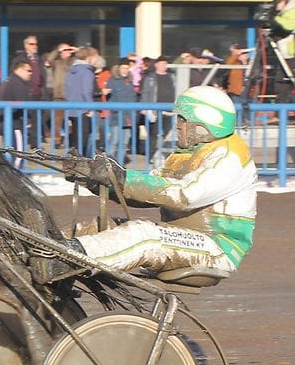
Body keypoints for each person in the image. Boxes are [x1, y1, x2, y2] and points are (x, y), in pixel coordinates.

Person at [35, 86, 256, 283]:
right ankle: (43, 248)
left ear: (202, 125)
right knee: (105, 225)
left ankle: (63, 260)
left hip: (217, 248)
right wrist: (95, 180)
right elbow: (146, 193)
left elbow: (184, 196)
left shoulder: (231, 158)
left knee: (144, 234)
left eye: (181, 120)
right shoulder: (185, 155)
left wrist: (121, 177)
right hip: (184, 236)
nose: (176, 126)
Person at [64, 46, 99, 156]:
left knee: (75, 141)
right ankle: (80, 165)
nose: (97, 60)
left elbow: (66, 90)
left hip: (71, 109)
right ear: (89, 57)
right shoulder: (87, 72)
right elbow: (86, 91)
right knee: (83, 141)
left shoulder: (71, 71)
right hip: (83, 110)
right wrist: (91, 108)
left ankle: (73, 165)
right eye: (96, 57)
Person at [0, 60, 39, 157]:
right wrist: (28, 121)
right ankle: (17, 170)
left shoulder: (8, 81)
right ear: (19, 70)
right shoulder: (18, 84)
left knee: (12, 152)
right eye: (28, 71)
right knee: (18, 155)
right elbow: (23, 103)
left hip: (7, 122)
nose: (31, 73)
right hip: (15, 124)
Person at [140, 55, 175, 162]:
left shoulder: (172, 77)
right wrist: (144, 107)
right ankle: (151, 155)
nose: (164, 65)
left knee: (166, 132)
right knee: (154, 134)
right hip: (155, 110)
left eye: (165, 63)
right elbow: (145, 93)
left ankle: (157, 153)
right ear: (156, 65)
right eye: (161, 63)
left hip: (169, 110)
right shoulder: (150, 78)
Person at [105, 58, 139, 161]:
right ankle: (109, 163)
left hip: (128, 117)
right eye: (123, 68)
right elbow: (109, 99)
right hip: (117, 116)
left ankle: (120, 163)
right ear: (118, 68)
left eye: (127, 68)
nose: (125, 70)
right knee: (114, 141)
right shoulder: (112, 80)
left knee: (125, 142)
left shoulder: (130, 81)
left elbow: (133, 98)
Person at [266, 0, 295, 104]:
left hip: (291, 54)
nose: (276, 6)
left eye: (277, 3)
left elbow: (286, 27)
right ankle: (280, 113)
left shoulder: (292, 11)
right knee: (281, 83)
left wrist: (272, 19)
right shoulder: (283, 14)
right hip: (286, 56)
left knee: (283, 82)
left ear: (284, 1)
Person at [11, 35, 46, 101]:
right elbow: (14, 77)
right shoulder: (19, 60)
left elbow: (42, 78)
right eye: (32, 44)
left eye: (36, 44)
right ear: (26, 45)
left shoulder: (40, 59)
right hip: (25, 95)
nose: (34, 46)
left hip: (39, 96)